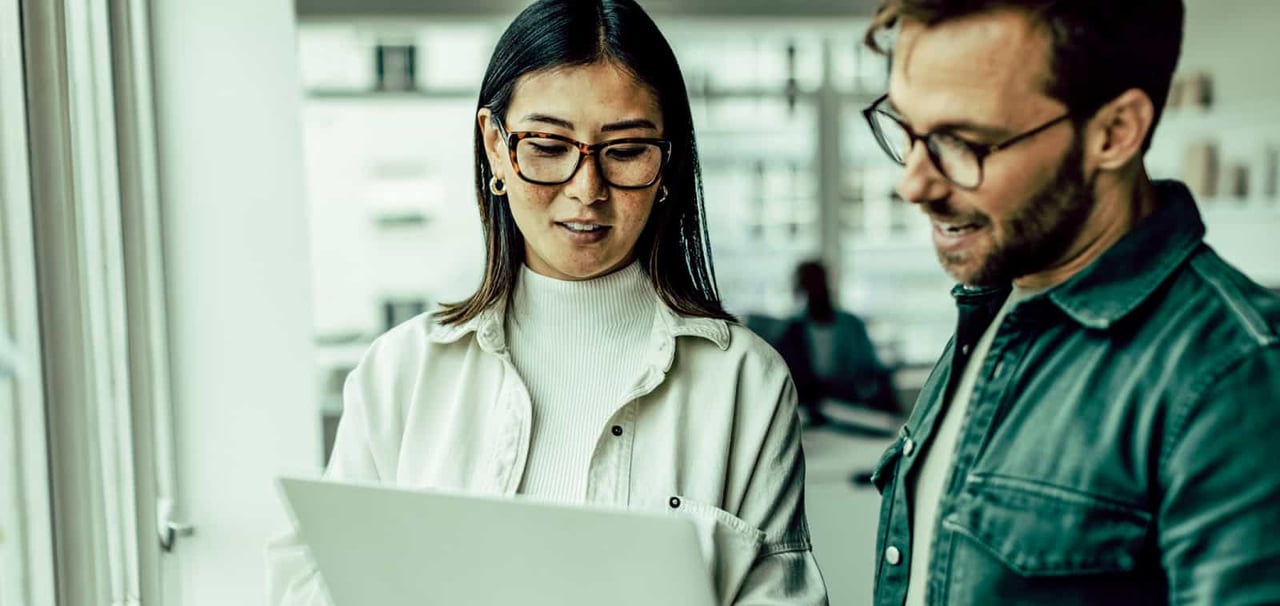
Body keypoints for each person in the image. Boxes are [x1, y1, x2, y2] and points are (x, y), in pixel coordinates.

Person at [266, 1, 828, 604]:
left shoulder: (746, 383)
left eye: (627, 150)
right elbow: (311, 588)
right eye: (548, 146)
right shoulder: (399, 374)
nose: (587, 191)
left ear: (669, 162)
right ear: (496, 148)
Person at [857, 1, 1280, 604]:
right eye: (909, 129)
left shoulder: (1237, 375)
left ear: (1113, 132)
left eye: (963, 141)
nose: (913, 184)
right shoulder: (997, 302)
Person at [776, 260, 899, 427]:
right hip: (812, 413)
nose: (814, 291)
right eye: (807, 286)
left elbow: (871, 369)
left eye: (817, 283)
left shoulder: (851, 325)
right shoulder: (792, 331)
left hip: (852, 407)